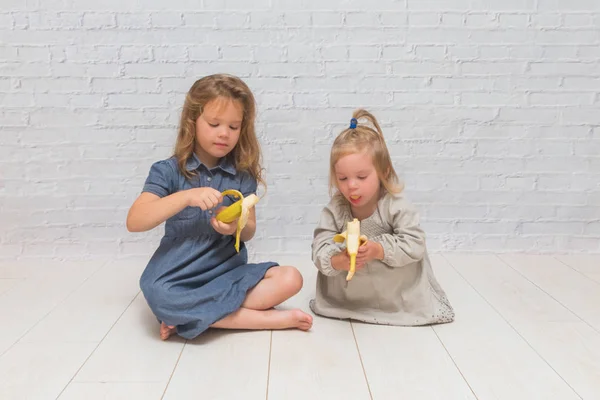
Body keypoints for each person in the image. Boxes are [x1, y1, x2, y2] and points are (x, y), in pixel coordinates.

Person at [127, 74, 313, 340]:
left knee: (291, 278)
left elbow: (249, 231)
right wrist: (185, 197)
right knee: (157, 293)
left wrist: (233, 227)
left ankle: (186, 318)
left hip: (226, 272)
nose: (224, 133)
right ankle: (268, 320)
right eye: (214, 124)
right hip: (177, 277)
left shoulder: (242, 176)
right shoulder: (167, 171)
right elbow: (135, 221)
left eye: (234, 127)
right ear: (192, 122)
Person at [310, 109, 454, 326]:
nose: (352, 185)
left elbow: (415, 244)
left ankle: (391, 306)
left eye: (361, 176)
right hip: (348, 297)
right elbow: (319, 245)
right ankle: (354, 306)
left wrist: (379, 249)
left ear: (383, 172)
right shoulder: (336, 209)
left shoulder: (394, 206)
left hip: (396, 295)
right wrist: (336, 260)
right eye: (343, 178)